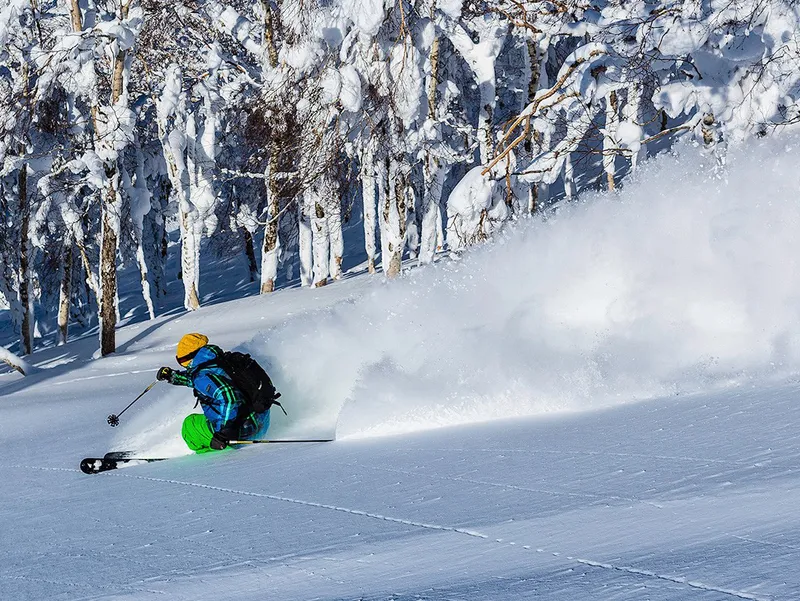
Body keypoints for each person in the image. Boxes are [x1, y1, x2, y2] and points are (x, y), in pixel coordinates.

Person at [156, 333, 273, 453]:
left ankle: (214, 457)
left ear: (188, 358)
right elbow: (202, 379)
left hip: (240, 433)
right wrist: (173, 377)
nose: (181, 363)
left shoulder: (201, 375)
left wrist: (225, 431)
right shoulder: (219, 360)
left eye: (180, 359)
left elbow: (228, 396)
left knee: (189, 425)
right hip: (260, 421)